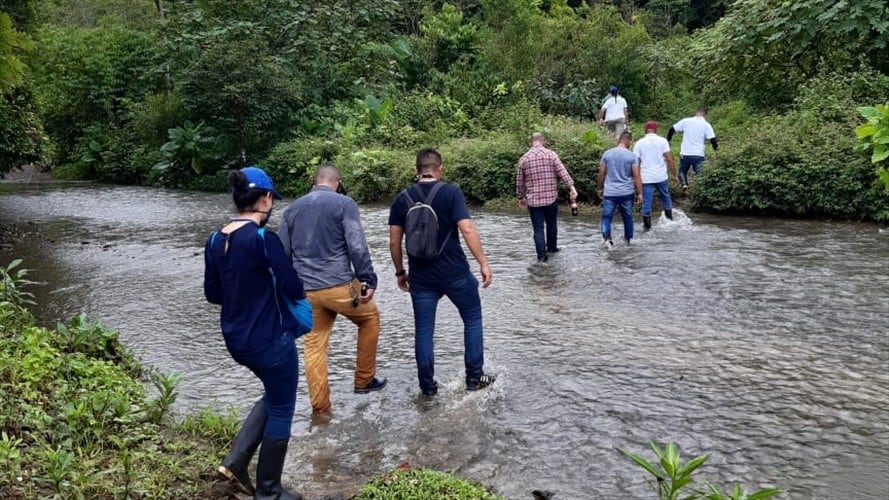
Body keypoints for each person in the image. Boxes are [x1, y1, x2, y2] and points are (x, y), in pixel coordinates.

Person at [204, 166, 304, 500]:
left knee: (274, 393)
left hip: (236, 339)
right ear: (264, 199)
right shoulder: (264, 238)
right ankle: (269, 492)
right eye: (271, 198)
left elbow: (214, 294)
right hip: (270, 340)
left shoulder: (216, 239)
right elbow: (294, 286)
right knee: (282, 405)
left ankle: (235, 461)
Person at [278, 164, 386, 416]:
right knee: (370, 318)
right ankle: (364, 380)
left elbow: (282, 253)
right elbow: (356, 245)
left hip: (306, 290)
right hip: (339, 286)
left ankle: (321, 408)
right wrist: (367, 278)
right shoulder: (344, 204)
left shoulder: (291, 209)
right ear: (337, 182)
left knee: (314, 345)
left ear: (314, 182)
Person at [388, 148, 495, 397]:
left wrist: (400, 272)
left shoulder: (402, 198)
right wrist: (483, 263)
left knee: (424, 330)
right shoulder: (451, 192)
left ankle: (427, 387)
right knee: (472, 317)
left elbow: (394, 242)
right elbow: (467, 229)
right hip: (454, 272)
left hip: (421, 277)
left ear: (416, 170)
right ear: (440, 169)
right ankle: (474, 377)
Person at [516, 132, 578, 262]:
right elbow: (563, 173)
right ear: (544, 141)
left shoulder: (524, 159)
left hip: (533, 200)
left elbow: (520, 182)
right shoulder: (551, 155)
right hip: (550, 198)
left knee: (538, 228)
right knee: (552, 224)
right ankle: (552, 248)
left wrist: (521, 197)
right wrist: (572, 188)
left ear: (530, 143)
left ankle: (542, 257)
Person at [597, 132, 643, 247]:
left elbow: (601, 173)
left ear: (619, 140)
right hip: (626, 192)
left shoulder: (607, 154)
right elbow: (636, 176)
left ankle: (607, 239)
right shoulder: (632, 156)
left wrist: (599, 188)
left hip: (610, 192)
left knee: (606, 217)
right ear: (628, 141)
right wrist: (640, 193)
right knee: (627, 217)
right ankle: (628, 240)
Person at [632, 121, 678, 230]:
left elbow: (635, 163)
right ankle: (670, 221)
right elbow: (669, 160)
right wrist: (675, 175)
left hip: (646, 177)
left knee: (647, 202)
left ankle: (647, 227)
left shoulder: (639, 143)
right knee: (666, 198)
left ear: (645, 130)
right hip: (661, 176)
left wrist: (634, 177)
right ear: (656, 129)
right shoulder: (663, 141)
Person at [667, 106, 718, 190]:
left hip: (685, 153)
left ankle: (684, 184)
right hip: (698, 154)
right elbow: (713, 140)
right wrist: (717, 152)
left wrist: (668, 141)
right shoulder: (706, 125)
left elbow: (671, 129)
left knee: (682, 171)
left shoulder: (686, 121)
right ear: (705, 114)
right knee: (700, 173)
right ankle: (699, 190)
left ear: (696, 112)